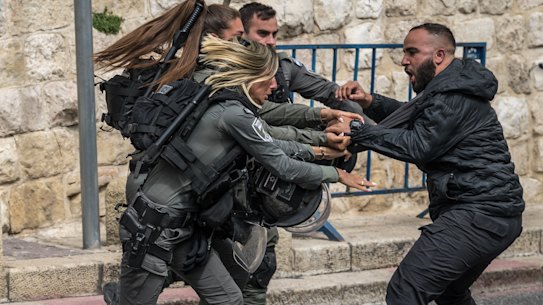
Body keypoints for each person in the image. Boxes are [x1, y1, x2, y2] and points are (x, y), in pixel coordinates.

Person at [118, 35, 374, 305]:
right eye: (268, 79)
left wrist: (320, 147)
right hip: (153, 231)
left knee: (230, 297)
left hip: (185, 228)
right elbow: (282, 165)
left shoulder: (232, 108)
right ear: (250, 78)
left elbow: (270, 141)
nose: (274, 86)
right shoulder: (232, 113)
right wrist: (337, 175)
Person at [330, 23, 524, 305]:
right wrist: (371, 102)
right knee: (450, 293)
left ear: (439, 55)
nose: (404, 61)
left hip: (478, 214)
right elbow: (415, 117)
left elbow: (419, 145)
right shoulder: (450, 88)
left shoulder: (452, 96)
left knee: (405, 292)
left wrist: (357, 131)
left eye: (412, 52)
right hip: (494, 214)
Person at [238, 3, 366, 304]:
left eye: (274, 34)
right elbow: (265, 131)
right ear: (241, 34)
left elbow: (326, 96)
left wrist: (346, 110)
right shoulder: (229, 80)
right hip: (235, 177)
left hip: (268, 180)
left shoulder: (283, 69)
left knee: (260, 263)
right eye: (262, 33)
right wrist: (321, 144)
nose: (270, 41)